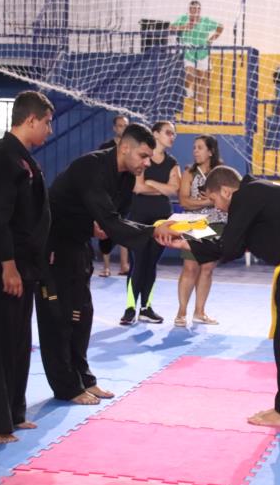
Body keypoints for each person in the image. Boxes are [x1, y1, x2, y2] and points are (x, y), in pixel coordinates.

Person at [158, 166, 280, 428]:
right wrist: (186, 240)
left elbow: (228, 245)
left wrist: (185, 235)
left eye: (214, 199)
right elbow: (234, 243)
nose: (217, 207)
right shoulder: (257, 193)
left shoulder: (247, 197)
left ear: (226, 191)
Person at [35, 124, 174, 404]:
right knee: (58, 318)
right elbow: (110, 221)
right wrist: (152, 230)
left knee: (82, 314)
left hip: (78, 243)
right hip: (52, 243)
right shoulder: (92, 167)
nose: (147, 163)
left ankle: (84, 379)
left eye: (149, 158)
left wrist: (105, 233)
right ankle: (67, 387)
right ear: (125, 147)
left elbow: (113, 221)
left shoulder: (125, 178)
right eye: (143, 156)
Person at [0, 91, 53, 444]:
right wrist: (8, 265)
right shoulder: (0, 157)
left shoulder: (22, 158)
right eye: (47, 122)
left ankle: (11, 413)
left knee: (17, 342)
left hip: (23, 265)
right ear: (30, 120)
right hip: (1, 267)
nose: (49, 129)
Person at [120, 121, 180, 325]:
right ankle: (130, 308)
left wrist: (152, 183)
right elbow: (138, 187)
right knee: (138, 262)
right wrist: (163, 188)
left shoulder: (172, 162)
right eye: (168, 133)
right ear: (155, 134)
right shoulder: (144, 157)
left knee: (151, 263)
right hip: (138, 217)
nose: (172, 137)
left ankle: (146, 308)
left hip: (162, 220)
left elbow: (174, 189)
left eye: (173, 134)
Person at [175, 135, 227, 327]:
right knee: (190, 268)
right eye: (194, 148)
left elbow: (227, 198)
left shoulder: (221, 173)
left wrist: (210, 201)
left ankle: (199, 312)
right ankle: (181, 312)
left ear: (210, 151)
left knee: (207, 269)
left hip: (217, 223)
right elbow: (184, 201)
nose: (195, 151)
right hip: (195, 223)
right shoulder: (189, 173)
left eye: (200, 147)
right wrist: (208, 201)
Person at [170, 0, 224, 113]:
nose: (196, 11)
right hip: (189, 52)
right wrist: (184, 27)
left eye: (198, 9)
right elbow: (170, 27)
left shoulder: (205, 21)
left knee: (203, 79)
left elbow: (220, 27)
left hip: (203, 52)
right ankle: (187, 88)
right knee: (189, 74)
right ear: (189, 10)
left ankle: (200, 106)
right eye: (193, 8)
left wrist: (211, 39)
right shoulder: (183, 19)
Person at [97, 114, 130, 277]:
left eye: (125, 126)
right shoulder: (105, 147)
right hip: (107, 193)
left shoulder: (131, 147)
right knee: (104, 229)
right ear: (114, 128)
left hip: (124, 193)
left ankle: (124, 265)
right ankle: (106, 267)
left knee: (124, 229)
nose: (122, 128)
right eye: (120, 125)